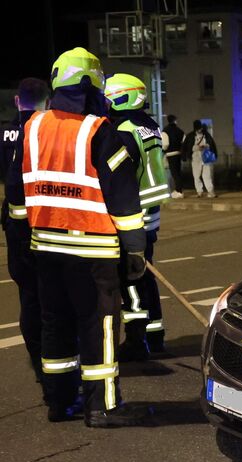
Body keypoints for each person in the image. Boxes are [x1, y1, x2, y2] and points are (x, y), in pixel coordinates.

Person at [21, 47, 148, 426]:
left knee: (54, 323)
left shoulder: (33, 127)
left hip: (44, 247)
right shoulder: (99, 131)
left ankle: (59, 403)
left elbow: (15, 191)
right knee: (99, 326)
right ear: (92, 85)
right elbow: (123, 196)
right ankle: (103, 406)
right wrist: (136, 248)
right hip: (92, 251)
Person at [105, 73, 170, 360]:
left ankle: (136, 339)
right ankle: (155, 335)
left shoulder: (123, 130)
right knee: (146, 276)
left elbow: (119, 176)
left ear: (121, 98)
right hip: (151, 212)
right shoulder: (148, 125)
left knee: (131, 279)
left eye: (108, 99)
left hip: (133, 214)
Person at [1, 77, 50, 393]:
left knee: (29, 299)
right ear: (47, 101)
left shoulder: (5, 132)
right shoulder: (50, 129)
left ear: (18, 101)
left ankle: (39, 362)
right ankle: (57, 365)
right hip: (48, 224)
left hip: (16, 228)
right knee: (55, 300)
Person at [189, 119, 217, 197]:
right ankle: (200, 191)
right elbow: (189, 147)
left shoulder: (205, 135)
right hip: (196, 157)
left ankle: (210, 191)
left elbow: (211, 144)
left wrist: (205, 146)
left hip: (204, 157)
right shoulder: (192, 136)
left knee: (206, 175)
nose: (200, 130)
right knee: (196, 175)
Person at [162, 114, 185, 198]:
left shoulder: (165, 131)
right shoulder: (180, 131)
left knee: (174, 173)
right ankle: (179, 190)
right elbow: (184, 142)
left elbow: (165, 144)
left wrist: (163, 151)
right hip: (178, 153)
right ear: (175, 120)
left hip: (170, 154)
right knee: (178, 173)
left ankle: (178, 191)